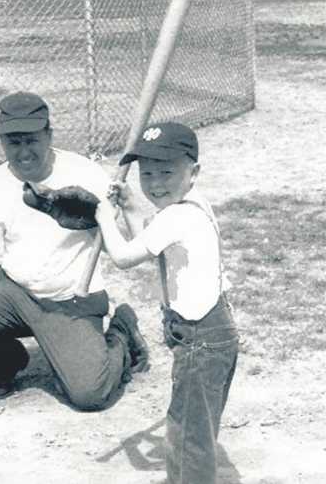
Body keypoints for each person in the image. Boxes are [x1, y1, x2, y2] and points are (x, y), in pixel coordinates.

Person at [0, 91, 149, 410]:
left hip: (69, 301)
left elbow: (116, 249)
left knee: (89, 395)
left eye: (31, 140)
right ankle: (7, 367)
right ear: (2, 143)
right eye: (14, 142)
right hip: (16, 294)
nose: (23, 151)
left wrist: (105, 214)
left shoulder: (85, 173)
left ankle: (122, 333)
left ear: (49, 134)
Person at [93, 122, 239, 484]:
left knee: (188, 431)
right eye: (148, 173)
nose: (156, 183)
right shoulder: (191, 206)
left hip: (201, 336)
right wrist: (128, 206)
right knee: (195, 427)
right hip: (212, 330)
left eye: (168, 172)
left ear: (194, 172)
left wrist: (101, 218)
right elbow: (148, 235)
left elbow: (126, 255)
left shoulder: (179, 216)